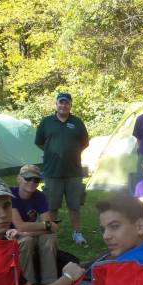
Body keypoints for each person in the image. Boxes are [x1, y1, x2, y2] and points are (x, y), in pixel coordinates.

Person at [35, 92, 90, 246]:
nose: (63, 105)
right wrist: (51, 151)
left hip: (73, 172)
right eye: (61, 102)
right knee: (52, 206)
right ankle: (50, 233)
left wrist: (70, 152)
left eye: (66, 103)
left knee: (74, 205)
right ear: (56, 104)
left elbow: (84, 143)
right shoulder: (47, 122)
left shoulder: (77, 122)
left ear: (70, 105)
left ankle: (77, 233)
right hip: (52, 172)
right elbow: (39, 142)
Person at [7, 164, 59, 285]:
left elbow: (50, 227)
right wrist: (46, 226)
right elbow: (20, 225)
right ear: (19, 178)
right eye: (28, 178)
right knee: (26, 241)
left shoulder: (39, 196)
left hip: (24, 233)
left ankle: (50, 283)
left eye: (36, 179)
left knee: (49, 238)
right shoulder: (10, 195)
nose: (32, 182)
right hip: (10, 236)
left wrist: (26, 231)